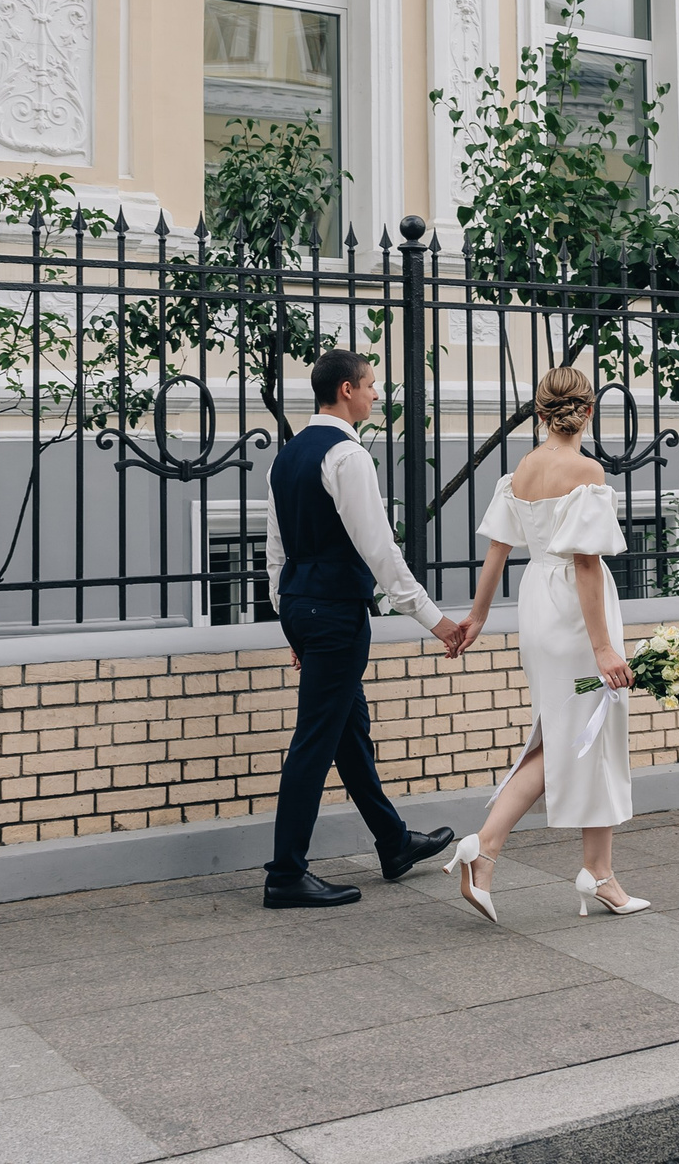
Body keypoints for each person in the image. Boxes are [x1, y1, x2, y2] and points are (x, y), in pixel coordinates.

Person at [438, 366, 650, 922]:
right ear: (588, 411)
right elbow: (585, 562)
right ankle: (485, 849)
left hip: (537, 604)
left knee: (574, 730)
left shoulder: (524, 468)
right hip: (577, 616)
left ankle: (598, 874)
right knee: (577, 733)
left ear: (540, 413)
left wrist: (478, 616)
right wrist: (605, 648)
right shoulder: (586, 471)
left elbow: (499, 549)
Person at [262, 349, 467, 909]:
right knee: (314, 743)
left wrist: (290, 624)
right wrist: (436, 620)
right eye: (371, 385)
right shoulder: (347, 456)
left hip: (305, 609)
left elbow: (275, 553)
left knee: (348, 735)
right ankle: (285, 873)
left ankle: (394, 843)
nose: (377, 394)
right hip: (334, 614)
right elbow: (378, 550)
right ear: (347, 390)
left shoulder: (288, 457)